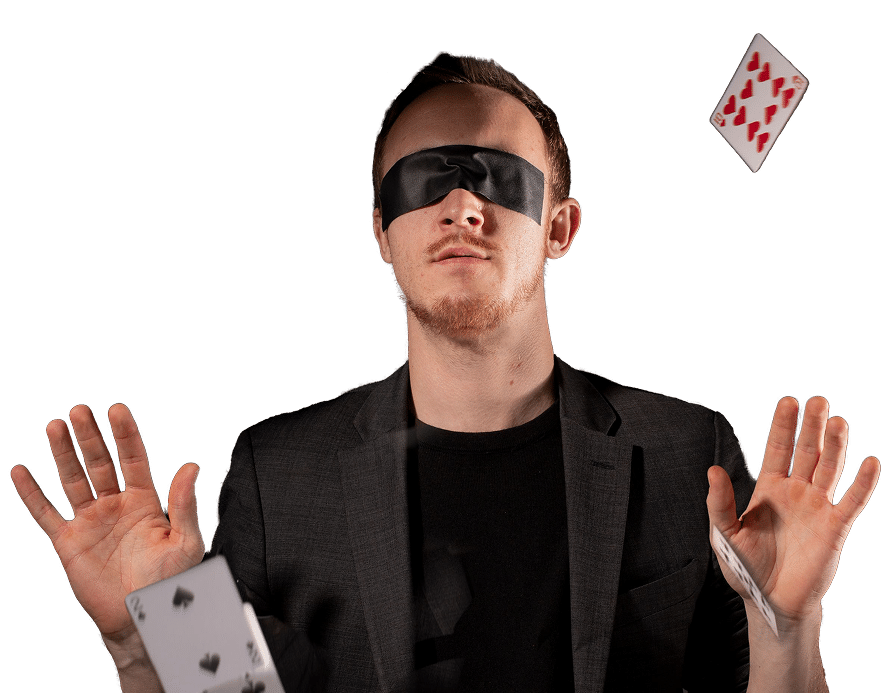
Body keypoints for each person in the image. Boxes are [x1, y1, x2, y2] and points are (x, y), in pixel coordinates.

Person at [10, 52, 880, 692]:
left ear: (560, 228)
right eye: (424, 183)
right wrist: (142, 640)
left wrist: (790, 625)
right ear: (382, 232)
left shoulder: (691, 448)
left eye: (500, 181)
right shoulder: (279, 471)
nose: (462, 203)